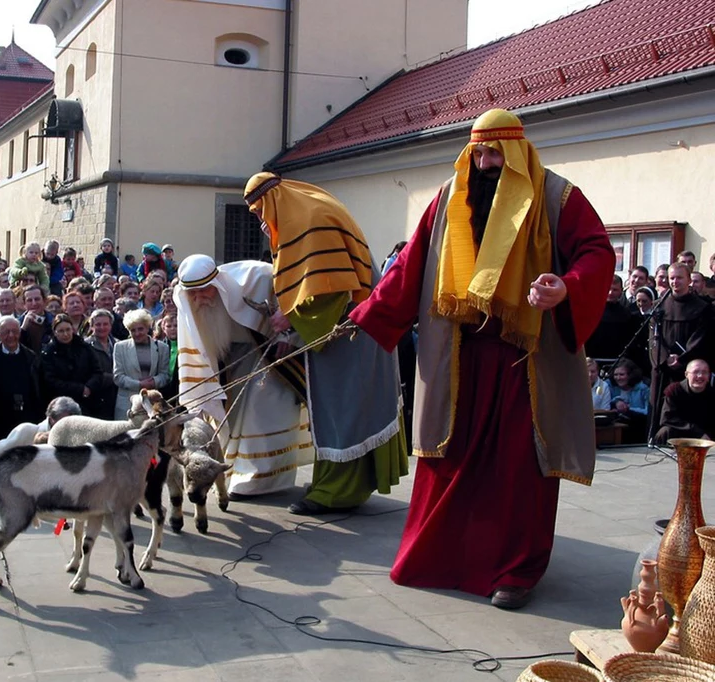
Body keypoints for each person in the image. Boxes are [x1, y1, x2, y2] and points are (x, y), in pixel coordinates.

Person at [347, 109, 614, 609]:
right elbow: (412, 263)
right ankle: (440, 558)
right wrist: (368, 314)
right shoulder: (450, 197)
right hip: (459, 356)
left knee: (517, 470)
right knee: (448, 458)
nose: (487, 162)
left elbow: (597, 252)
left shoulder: (558, 197)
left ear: (516, 152)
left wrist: (566, 287)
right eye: (479, 152)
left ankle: (515, 572)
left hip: (524, 364)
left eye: (496, 153)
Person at [244, 173, 409, 515]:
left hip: (351, 327)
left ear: (272, 200)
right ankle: (333, 482)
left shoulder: (308, 220)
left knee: (343, 404)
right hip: (347, 323)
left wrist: (290, 320)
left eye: (260, 211)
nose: (261, 220)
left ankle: (337, 492)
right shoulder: (302, 212)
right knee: (339, 403)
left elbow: (334, 285)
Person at [175, 256, 314, 496]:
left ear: (217, 284)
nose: (198, 299)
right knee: (235, 418)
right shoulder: (190, 303)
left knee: (262, 412)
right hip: (232, 362)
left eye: (203, 291)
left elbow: (293, 302)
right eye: (192, 294)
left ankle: (259, 479)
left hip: (270, 358)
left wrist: (288, 334)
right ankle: (239, 473)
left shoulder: (257, 278)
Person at [648, 261, 715, 434]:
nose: (675, 282)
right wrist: (664, 358)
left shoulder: (702, 308)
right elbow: (654, 338)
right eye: (672, 278)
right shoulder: (658, 306)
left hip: (689, 367)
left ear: (688, 280)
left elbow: (701, 337)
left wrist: (683, 359)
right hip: (664, 368)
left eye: (679, 278)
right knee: (658, 408)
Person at [0, 316, 44, 446]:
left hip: (26, 419)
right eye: (6, 332)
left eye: (14, 331)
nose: (11, 336)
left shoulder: (31, 358)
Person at [41, 314, 106, 418]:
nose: (65, 334)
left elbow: (97, 372)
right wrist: (79, 389)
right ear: (55, 333)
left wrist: (88, 387)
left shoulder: (84, 347)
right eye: (61, 331)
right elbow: (50, 380)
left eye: (68, 330)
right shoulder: (48, 353)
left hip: (89, 401)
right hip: (62, 404)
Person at [112, 310, 169, 419]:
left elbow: (165, 375)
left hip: (153, 405)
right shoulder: (119, 347)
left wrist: (154, 382)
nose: (137, 333)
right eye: (133, 330)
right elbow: (117, 377)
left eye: (140, 329)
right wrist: (139, 384)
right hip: (127, 405)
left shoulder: (162, 348)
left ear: (148, 328)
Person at [655, 358, 715, 442]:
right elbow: (666, 418)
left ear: (709, 376)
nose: (700, 375)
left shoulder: (712, 394)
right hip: (680, 431)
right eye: (696, 372)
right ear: (686, 374)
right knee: (665, 431)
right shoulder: (674, 390)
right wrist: (697, 432)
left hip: (704, 435)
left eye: (704, 372)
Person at [609, 357, 650, 442]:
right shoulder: (611, 387)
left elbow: (647, 411)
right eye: (615, 375)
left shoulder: (643, 389)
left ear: (631, 375)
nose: (618, 378)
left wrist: (628, 409)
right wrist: (616, 401)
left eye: (621, 374)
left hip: (637, 427)